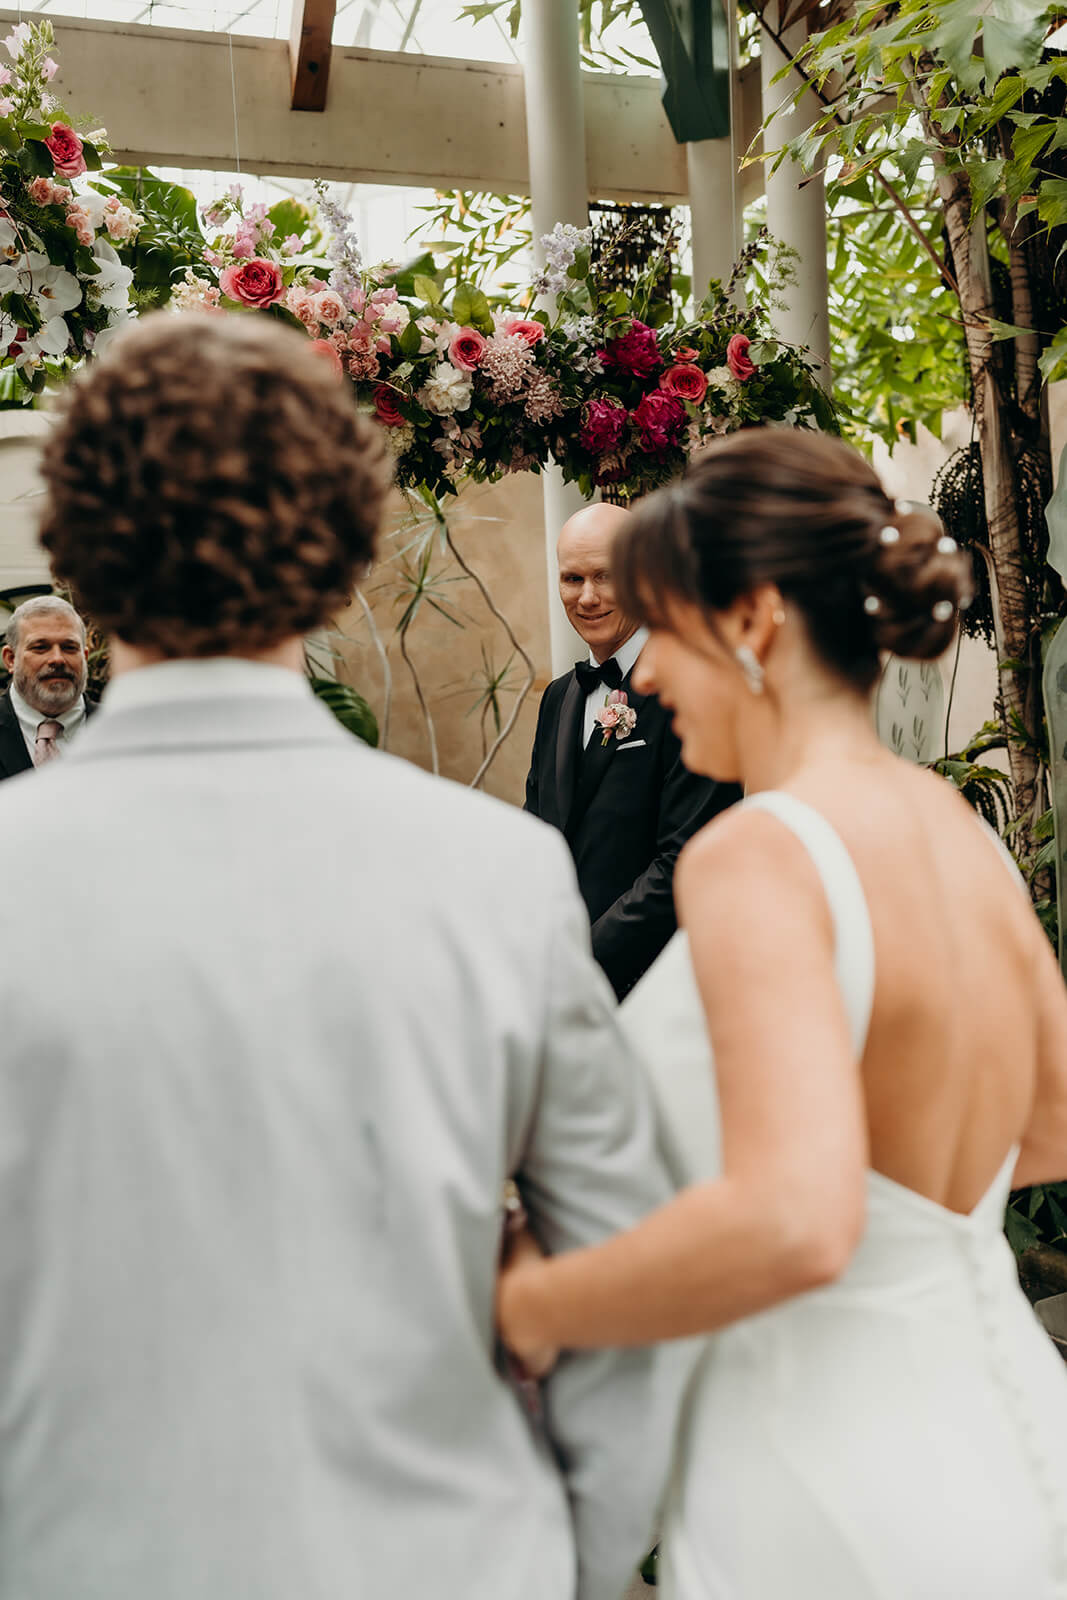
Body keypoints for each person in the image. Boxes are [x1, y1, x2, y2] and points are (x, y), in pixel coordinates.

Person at [0, 313, 684, 1600]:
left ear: (78, 556)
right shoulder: (495, 879)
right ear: (338, 553)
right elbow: (611, 1285)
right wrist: (570, 1558)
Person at [500, 428, 1067, 1599]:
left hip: (824, 1472)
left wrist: (526, 1300)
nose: (644, 674)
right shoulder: (959, 830)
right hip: (1008, 1434)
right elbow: (1050, 1132)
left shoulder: (757, 853)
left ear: (752, 619)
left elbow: (797, 1224)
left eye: (668, 628)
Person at [525, 503, 736, 998]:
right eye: (572, 579)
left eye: (606, 576)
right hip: (568, 985)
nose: (588, 597)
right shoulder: (559, 697)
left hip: (662, 985)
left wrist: (586, 961)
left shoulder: (692, 686)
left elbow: (686, 859)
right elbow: (539, 831)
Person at [0, 594, 95, 777]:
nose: (57, 659)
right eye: (40, 647)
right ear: (11, 659)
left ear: (85, 657)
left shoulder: (127, 733)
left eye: (69, 647)